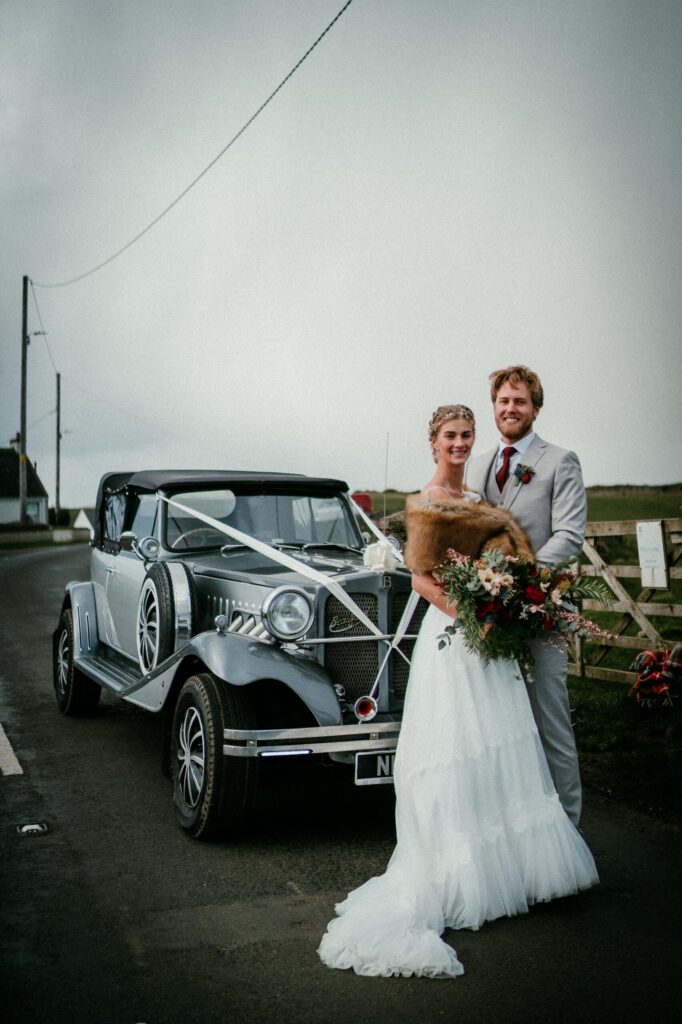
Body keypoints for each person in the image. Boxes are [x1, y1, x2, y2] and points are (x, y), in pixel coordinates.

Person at [317, 405, 598, 980]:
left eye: (468, 434)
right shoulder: (426, 501)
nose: (461, 443)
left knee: (498, 746)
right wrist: (472, 615)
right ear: (434, 441)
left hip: (488, 637)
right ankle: (455, 874)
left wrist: (500, 604)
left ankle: (508, 870)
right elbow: (423, 579)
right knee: (454, 749)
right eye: (451, 435)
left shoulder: (475, 496)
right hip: (454, 636)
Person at [465, 366, 586, 827]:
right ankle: (517, 827)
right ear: (493, 407)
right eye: (503, 401)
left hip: (542, 609)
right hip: (488, 614)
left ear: (535, 408)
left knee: (549, 719)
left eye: (519, 401)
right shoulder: (477, 465)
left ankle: (568, 827)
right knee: (500, 725)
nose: (510, 409)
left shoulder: (560, 461)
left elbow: (569, 535)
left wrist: (519, 577)